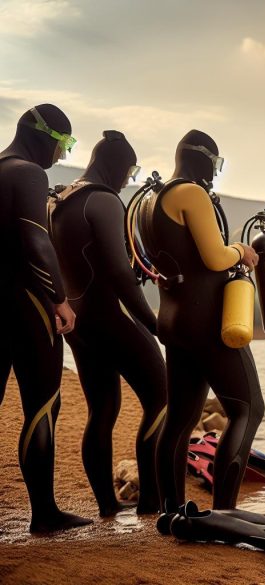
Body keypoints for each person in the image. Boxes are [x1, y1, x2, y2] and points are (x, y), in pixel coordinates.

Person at [136, 129, 262, 513]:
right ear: (205, 159)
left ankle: (172, 510)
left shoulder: (150, 199)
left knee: (180, 418)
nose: (215, 172)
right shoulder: (190, 193)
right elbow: (214, 257)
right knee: (248, 408)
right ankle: (225, 512)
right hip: (205, 320)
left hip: (173, 319)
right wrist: (242, 250)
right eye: (216, 163)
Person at [49, 131, 168, 516]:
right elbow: (119, 272)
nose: (129, 179)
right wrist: (153, 324)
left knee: (102, 411)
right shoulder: (103, 200)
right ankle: (151, 500)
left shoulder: (61, 199)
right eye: (130, 169)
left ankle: (107, 506)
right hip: (108, 317)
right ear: (116, 164)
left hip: (79, 327)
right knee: (161, 399)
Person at [0, 104, 92, 532]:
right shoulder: (28, 173)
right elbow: (36, 242)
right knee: (41, 405)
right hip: (25, 304)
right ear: (44, 135)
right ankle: (44, 514)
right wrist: (59, 299)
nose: (63, 154)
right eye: (64, 142)